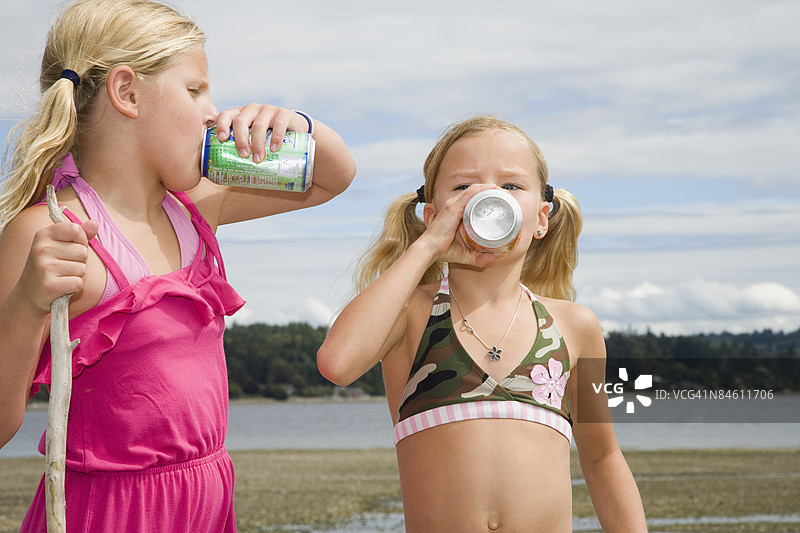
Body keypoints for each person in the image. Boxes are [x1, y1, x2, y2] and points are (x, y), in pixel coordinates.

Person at [0, 0, 356, 531]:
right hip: (112, 511)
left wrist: (299, 125)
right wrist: (27, 305)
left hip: (208, 500)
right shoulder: (48, 229)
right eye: (195, 90)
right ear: (127, 93)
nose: (214, 112)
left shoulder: (195, 207)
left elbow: (333, 178)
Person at [318, 116, 647, 532]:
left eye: (511, 186)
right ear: (433, 214)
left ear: (542, 218)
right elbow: (338, 363)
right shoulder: (411, 314)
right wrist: (427, 248)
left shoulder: (573, 326)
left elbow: (602, 459)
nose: (489, 197)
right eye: (463, 187)